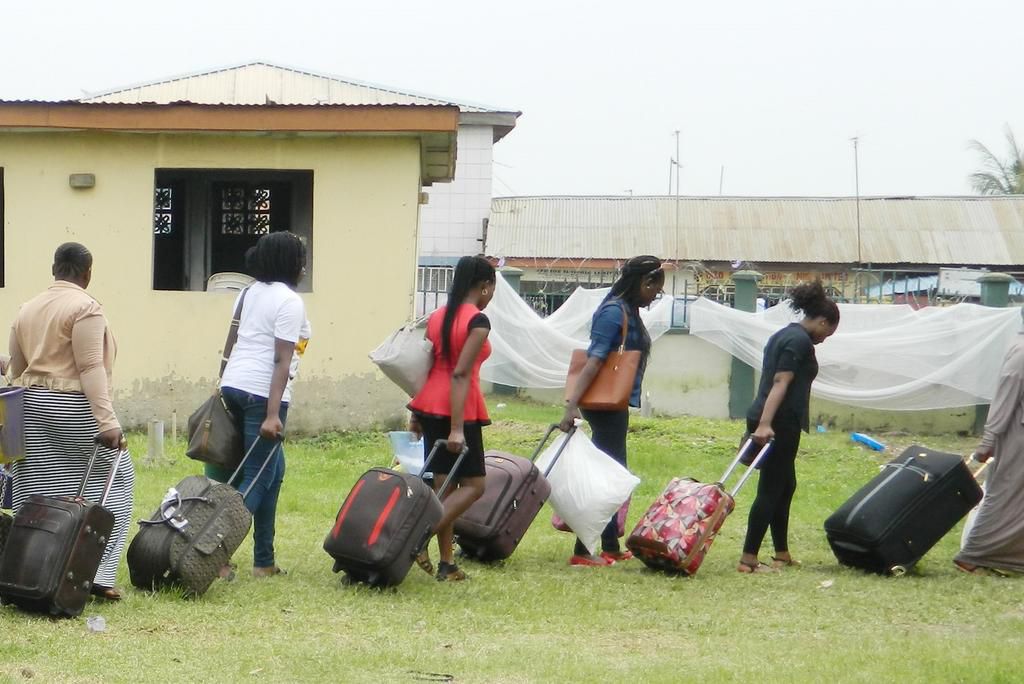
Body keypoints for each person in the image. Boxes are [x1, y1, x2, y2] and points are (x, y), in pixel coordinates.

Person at [8, 242, 135, 600]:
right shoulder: (85, 308)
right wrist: (107, 422)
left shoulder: (27, 308)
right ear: (87, 273)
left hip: (30, 406)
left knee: (35, 491)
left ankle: (24, 569)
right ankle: (98, 575)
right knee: (116, 479)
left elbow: (17, 368)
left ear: (54, 269)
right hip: (71, 406)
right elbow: (90, 366)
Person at [209, 231, 311, 578]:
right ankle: (213, 552)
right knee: (255, 478)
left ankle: (264, 561)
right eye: (301, 258)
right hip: (262, 396)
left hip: (235, 385)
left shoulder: (249, 292)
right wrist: (272, 414)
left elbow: (231, 339)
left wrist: (221, 381)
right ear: (290, 263)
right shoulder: (290, 301)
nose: (304, 265)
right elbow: (282, 359)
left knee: (274, 472)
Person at [559, 255, 666, 567]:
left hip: (616, 404)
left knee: (610, 473)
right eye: (655, 290)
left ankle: (608, 544)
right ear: (644, 283)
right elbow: (594, 360)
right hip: (604, 406)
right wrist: (571, 405)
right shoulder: (613, 311)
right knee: (605, 477)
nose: (655, 297)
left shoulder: (627, 309)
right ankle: (583, 550)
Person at [738, 280, 839, 574]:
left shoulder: (784, 335)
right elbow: (781, 382)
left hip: (776, 419)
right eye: (828, 332)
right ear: (822, 321)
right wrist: (766, 424)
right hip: (778, 422)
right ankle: (748, 559)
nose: (825, 338)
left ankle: (781, 553)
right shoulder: (799, 342)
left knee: (785, 485)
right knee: (771, 489)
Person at [408, 255, 495, 581]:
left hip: (430, 404)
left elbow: (426, 366)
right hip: (459, 408)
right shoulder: (478, 321)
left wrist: (416, 413)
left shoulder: (438, 316)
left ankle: (448, 564)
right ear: (485, 286)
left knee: (445, 488)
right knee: (474, 486)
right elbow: (460, 375)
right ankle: (418, 537)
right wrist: (458, 429)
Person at [954, 335, 1024, 576]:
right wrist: (989, 441)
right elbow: (1005, 401)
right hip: (1017, 440)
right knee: (1005, 497)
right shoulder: (1021, 353)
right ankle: (972, 556)